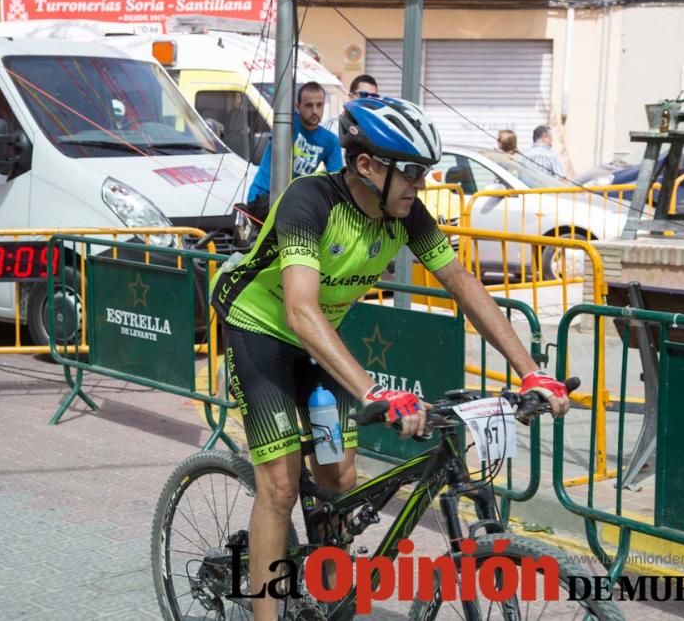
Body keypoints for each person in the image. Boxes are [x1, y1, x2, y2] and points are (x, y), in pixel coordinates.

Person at [211, 95, 572, 621]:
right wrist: (376, 392)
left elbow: (463, 283)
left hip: (316, 342)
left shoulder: (404, 214)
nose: (420, 186)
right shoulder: (309, 202)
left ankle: (331, 602)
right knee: (282, 486)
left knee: (338, 478)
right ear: (365, 165)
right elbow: (299, 309)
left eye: (425, 174)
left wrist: (532, 370)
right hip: (259, 329)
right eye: (411, 173)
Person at [245, 82, 343, 218]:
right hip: (263, 198)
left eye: (319, 105)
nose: (315, 111)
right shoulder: (286, 123)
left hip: (294, 202)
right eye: (309, 105)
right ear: (298, 107)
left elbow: (336, 181)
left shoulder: (330, 141)